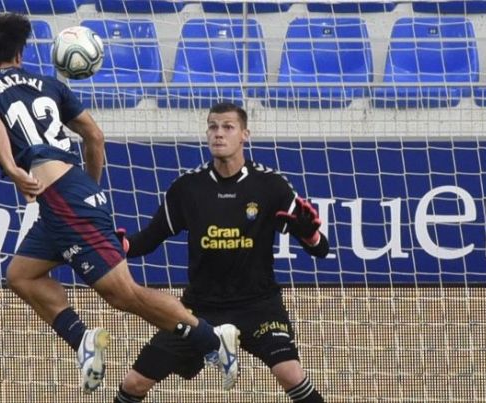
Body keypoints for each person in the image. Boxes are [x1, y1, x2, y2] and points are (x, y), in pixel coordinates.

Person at [0, 11, 240, 393]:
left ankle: (212, 337)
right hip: (68, 195)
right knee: (21, 275)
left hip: (63, 199)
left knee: (123, 294)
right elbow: (95, 135)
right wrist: (89, 188)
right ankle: (85, 340)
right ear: (20, 53)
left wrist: (12, 167)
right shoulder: (48, 84)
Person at [113, 102, 329, 403]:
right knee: (133, 383)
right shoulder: (188, 188)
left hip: (259, 305)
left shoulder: (270, 185)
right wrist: (120, 246)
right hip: (199, 310)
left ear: (245, 135)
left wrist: (310, 234)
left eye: (228, 127)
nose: (219, 134)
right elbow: (150, 239)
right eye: (213, 126)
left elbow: (321, 250)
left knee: (290, 374)